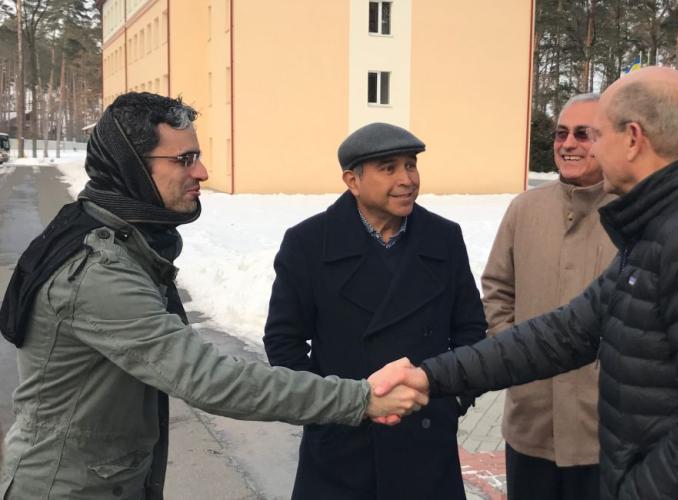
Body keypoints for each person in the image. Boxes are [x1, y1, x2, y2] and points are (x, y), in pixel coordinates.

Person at [371, 66, 678, 500]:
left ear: (633, 139)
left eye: (595, 134)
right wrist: (428, 376)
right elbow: (562, 334)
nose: (584, 146)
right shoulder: (660, 230)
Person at [0, 93, 426, 499]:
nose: (202, 172)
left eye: (198, 156)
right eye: (184, 159)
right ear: (130, 166)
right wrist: (360, 398)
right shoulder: (99, 272)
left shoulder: (125, 239)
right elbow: (208, 378)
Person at [263, 122, 487, 500]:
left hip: (426, 440)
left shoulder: (443, 237)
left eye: (411, 165)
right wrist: (326, 409)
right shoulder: (308, 243)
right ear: (352, 180)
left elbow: (470, 329)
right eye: (389, 168)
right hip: (341, 446)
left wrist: (452, 399)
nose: (407, 179)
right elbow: (283, 341)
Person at [481, 93, 615, 500]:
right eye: (560, 133)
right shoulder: (525, 210)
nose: (568, 143)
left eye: (582, 133)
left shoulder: (634, 214)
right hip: (530, 424)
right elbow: (497, 291)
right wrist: (517, 356)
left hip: (604, 433)